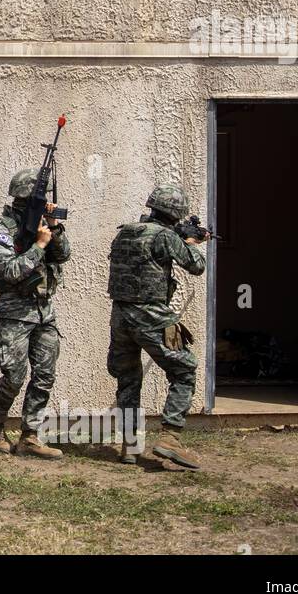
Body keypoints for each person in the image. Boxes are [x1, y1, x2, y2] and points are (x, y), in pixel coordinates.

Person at [106, 183, 208, 469]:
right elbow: (196, 266)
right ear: (175, 214)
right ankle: (171, 438)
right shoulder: (165, 236)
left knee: (128, 380)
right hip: (150, 315)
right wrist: (189, 243)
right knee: (185, 369)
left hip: (120, 316)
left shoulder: (126, 232)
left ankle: (129, 446)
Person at [0, 168, 71, 459]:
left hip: (45, 311)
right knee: (14, 376)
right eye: (40, 197)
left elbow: (64, 254)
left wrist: (54, 228)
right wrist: (38, 246)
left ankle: (30, 436)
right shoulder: (3, 229)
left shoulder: (44, 224)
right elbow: (9, 271)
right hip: (15, 312)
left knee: (44, 375)